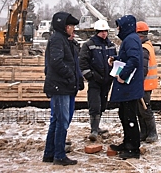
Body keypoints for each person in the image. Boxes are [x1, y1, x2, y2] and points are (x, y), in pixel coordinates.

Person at [42, 12, 83, 166]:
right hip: (60, 86)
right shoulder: (57, 40)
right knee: (61, 121)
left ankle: (49, 152)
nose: (73, 29)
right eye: (71, 26)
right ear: (64, 26)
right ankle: (58, 154)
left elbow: (71, 58)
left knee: (57, 120)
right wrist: (71, 76)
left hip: (64, 86)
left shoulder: (63, 40)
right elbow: (57, 62)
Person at [109, 14, 144, 159]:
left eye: (119, 26)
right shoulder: (130, 39)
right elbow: (128, 58)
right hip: (129, 87)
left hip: (130, 86)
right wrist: (116, 59)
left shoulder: (131, 40)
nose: (117, 29)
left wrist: (123, 75)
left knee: (129, 116)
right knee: (124, 114)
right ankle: (127, 142)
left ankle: (133, 148)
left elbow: (134, 60)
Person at [79, 19, 117, 141]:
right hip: (95, 80)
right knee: (94, 104)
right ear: (97, 32)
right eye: (101, 31)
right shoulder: (89, 45)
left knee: (102, 104)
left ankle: (97, 127)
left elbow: (116, 60)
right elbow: (83, 62)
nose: (104, 33)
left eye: (105, 31)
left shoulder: (111, 45)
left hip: (106, 80)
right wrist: (90, 76)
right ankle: (94, 129)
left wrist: (112, 75)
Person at [136, 21, 159, 143]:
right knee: (140, 110)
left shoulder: (144, 48)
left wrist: (137, 81)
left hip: (145, 84)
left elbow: (143, 69)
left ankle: (152, 133)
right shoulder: (146, 45)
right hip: (145, 84)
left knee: (145, 109)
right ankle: (144, 133)